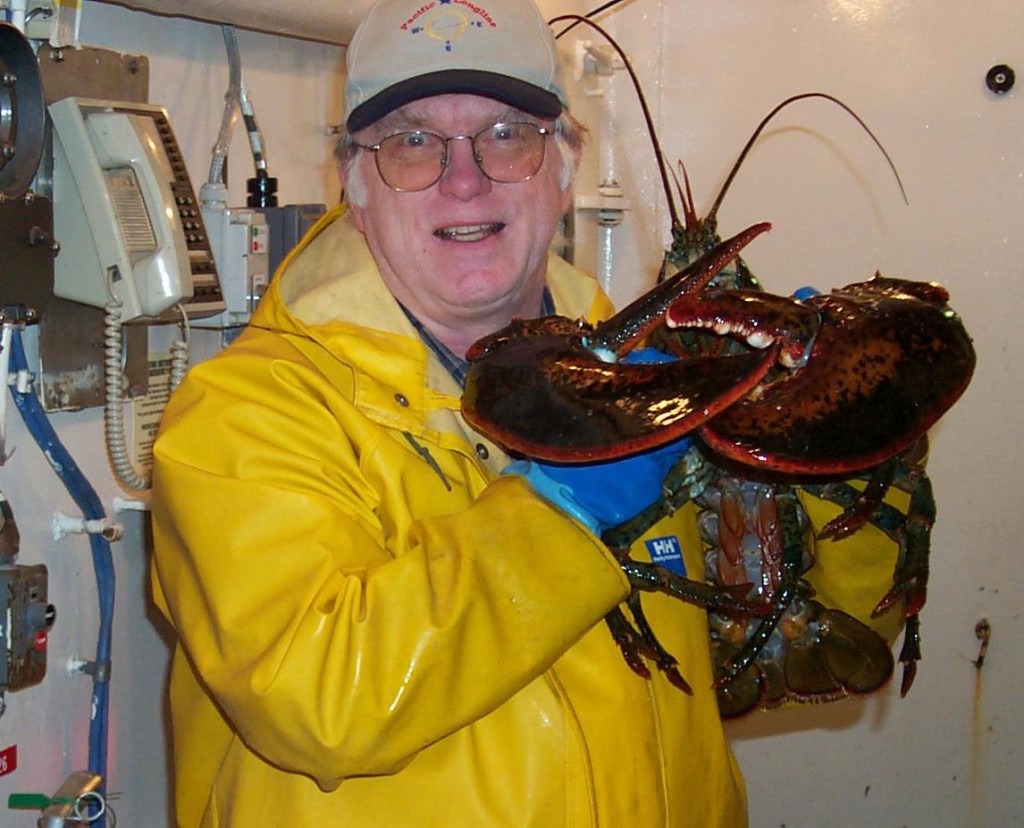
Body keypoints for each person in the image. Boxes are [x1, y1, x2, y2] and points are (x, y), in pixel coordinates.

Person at [151, 0, 903, 825]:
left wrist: (854, 448)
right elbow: (316, 701)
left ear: (567, 162)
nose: (463, 178)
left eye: (507, 134)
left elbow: (782, 635)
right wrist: (566, 512)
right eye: (411, 142)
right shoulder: (238, 417)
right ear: (353, 180)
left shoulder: (663, 378)